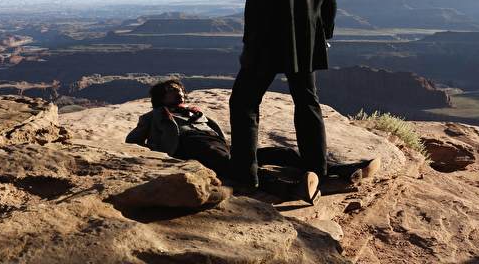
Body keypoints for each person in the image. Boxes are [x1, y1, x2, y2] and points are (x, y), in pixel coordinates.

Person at [126, 79, 381, 204]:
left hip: (216, 144)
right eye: (173, 91)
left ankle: (344, 170)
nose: (180, 93)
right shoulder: (153, 116)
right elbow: (132, 140)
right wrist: (156, 153)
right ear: (162, 98)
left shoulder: (195, 111)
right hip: (193, 147)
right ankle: (291, 189)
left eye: (180, 90)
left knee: (280, 152)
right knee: (240, 168)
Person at [230, 0, 337, 192]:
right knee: (307, 103)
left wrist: (250, 46)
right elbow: (328, 8)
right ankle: (318, 169)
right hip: (306, 46)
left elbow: (258, 7)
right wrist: (322, 39)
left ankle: (244, 175)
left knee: (244, 104)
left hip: (268, 45)